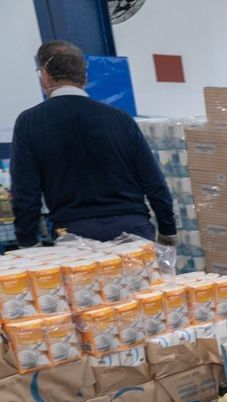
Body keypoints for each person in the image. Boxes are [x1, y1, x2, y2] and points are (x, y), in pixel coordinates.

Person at [11, 41, 176, 248]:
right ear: (84, 76)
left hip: (75, 236)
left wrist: (27, 240)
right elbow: (153, 180)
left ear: (44, 75)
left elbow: (25, 191)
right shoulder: (120, 119)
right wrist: (167, 229)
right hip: (133, 230)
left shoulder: (30, 122)